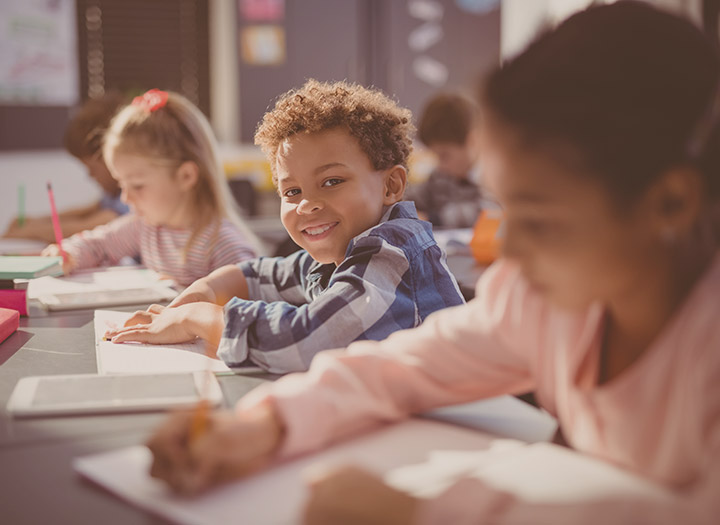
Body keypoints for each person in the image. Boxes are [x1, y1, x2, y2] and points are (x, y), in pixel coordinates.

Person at [140, 2, 720, 523]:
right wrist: (265, 425)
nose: (508, 252)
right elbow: (404, 366)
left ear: (668, 203)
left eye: (540, 218)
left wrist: (420, 513)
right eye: (504, 204)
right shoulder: (540, 297)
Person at [105, 80, 465, 373]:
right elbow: (260, 275)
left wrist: (199, 317)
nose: (306, 203)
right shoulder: (338, 251)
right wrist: (202, 292)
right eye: (291, 191)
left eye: (331, 181)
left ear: (391, 186)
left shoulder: (392, 254)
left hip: (452, 433)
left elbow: (307, 342)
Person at [42, 89, 259, 285]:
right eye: (121, 184)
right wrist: (69, 254)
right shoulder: (146, 227)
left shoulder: (224, 246)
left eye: (137, 186)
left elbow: (247, 312)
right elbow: (97, 245)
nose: (125, 198)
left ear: (185, 176)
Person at [3, 92, 130, 243]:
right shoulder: (113, 194)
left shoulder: (132, 192)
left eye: (92, 168)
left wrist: (30, 231)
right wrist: (38, 221)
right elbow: (89, 211)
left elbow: (100, 223)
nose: (90, 175)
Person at [405, 93, 485, 228]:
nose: (440, 165)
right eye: (435, 156)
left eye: (445, 155)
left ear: (472, 142)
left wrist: (432, 218)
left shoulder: (489, 178)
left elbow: (484, 213)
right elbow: (415, 197)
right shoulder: (440, 175)